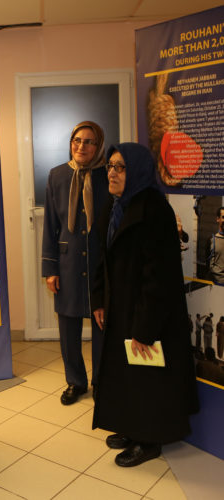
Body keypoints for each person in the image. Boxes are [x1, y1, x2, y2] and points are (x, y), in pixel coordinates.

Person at [91, 142, 198, 467]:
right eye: (110, 165)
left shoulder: (155, 210)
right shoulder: (114, 206)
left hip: (148, 312)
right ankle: (129, 427)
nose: (112, 172)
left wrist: (145, 327)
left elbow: (160, 278)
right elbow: (102, 258)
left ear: (136, 170)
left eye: (120, 167)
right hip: (119, 305)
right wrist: (98, 299)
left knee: (147, 378)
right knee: (125, 374)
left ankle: (149, 440)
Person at [42, 120, 108, 405]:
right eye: (77, 140)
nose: (82, 146)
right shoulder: (57, 175)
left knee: (102, 324)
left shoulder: (109, 174)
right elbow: (50, 226)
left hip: (100, 263)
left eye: (89, 141)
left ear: (99, 146)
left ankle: (102, 381)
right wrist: (50, 268)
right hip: (67, 264)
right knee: (68, 327)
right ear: (71, 142)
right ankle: (76, 381)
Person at [208, 206, 224, 285]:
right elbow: (209, 266)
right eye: (223, 217)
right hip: (217, 286)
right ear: (218, 219)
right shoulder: (211, 240)